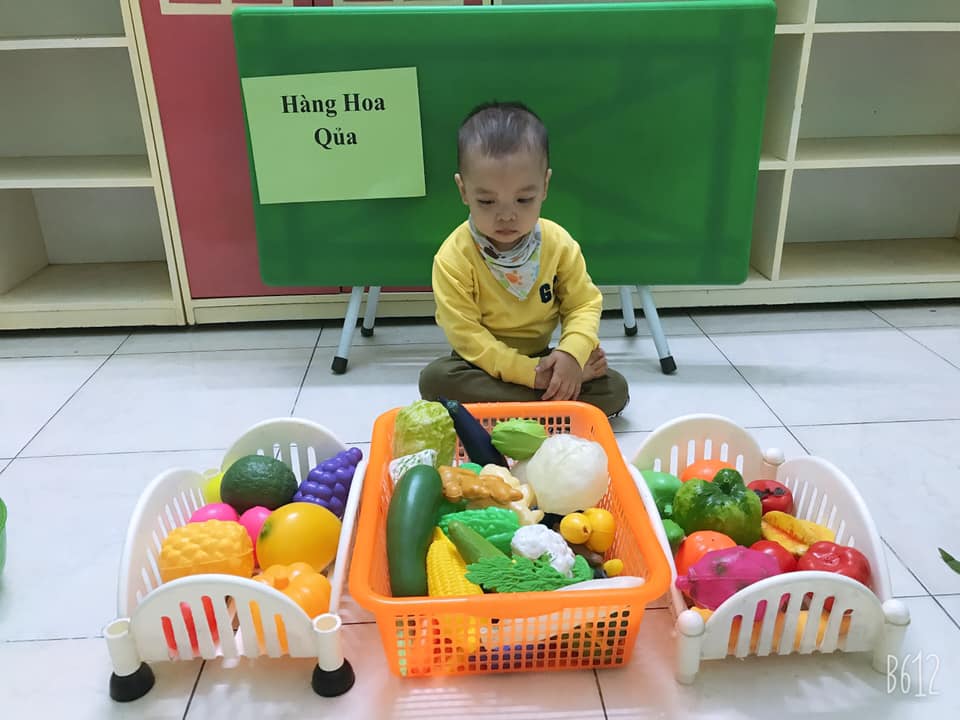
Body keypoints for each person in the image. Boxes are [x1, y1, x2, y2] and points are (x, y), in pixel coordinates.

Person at [418, 101, 629, 417]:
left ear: (545, 186)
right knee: (435, 380)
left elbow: (583, 304)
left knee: (614, 389)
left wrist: (571, 355)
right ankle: (550, 400)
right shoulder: (453, 258)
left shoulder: (558, 243)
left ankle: (521, 402)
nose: (506, 215)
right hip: (479, 365)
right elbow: (468, 337)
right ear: (463, 191)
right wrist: (532, 376)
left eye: (524, 199)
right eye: (486, 201)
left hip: (543, 358)